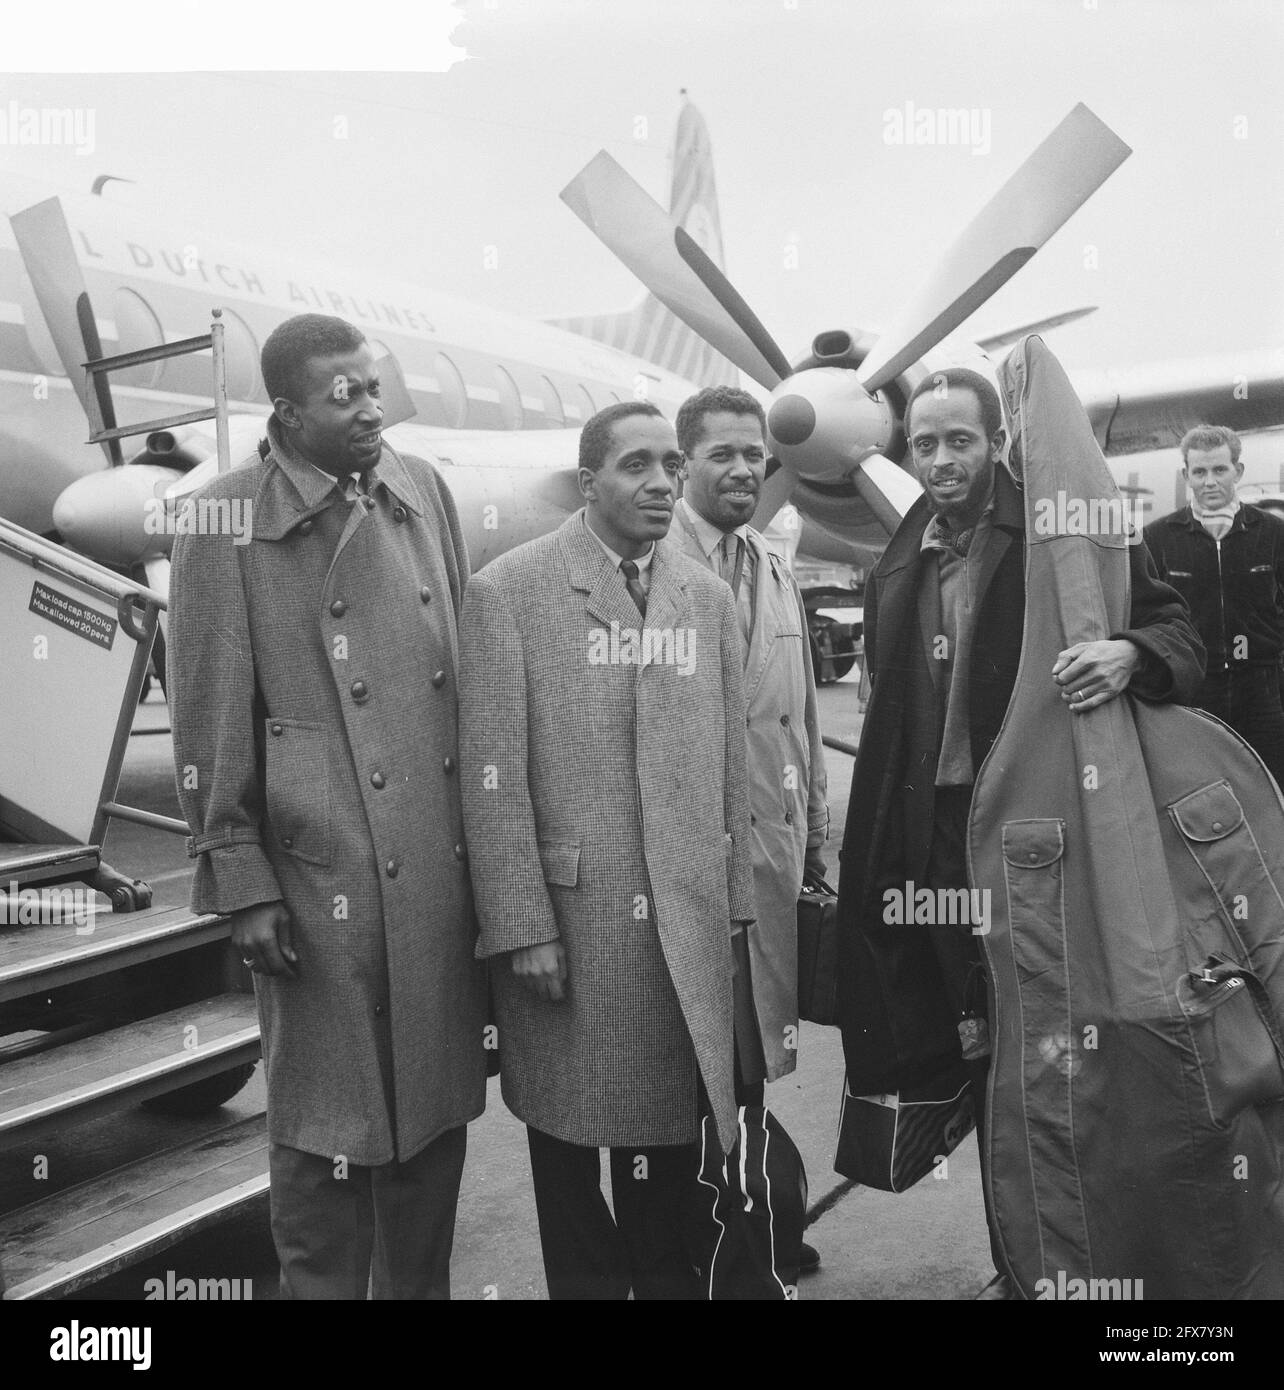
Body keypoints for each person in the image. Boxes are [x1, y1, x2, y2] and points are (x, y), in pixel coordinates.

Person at [835, 366, 1204, 1298]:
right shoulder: (903, 554)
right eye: (926, 443)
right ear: (905, 451)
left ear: (998, 441)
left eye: (962, 439)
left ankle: (1092, 1266)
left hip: (1044, 839)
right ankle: (1020, 1262)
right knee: (982, 1059)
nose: (944, 459)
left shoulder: (1063, 529)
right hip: (937, 846)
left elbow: (1179, 630)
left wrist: (1132, 652)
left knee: (1065, 1053)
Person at [167, 313, 486, 1299]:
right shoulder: (223, 516)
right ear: (287, 411)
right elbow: (208, 715)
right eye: (342, 394)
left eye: (373, 387)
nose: (368, 409)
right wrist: (243, 879)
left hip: (433, 863)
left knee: (431, 1118)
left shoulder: (421, 488)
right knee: (325, 1132)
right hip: (318, 872)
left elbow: (463, 683)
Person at [457, 400, 755, 1300]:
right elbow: (491, 775)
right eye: (636, 465)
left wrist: (734, 908)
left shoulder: (703, 598)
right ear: (588, 484)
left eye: (670, 464)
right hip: (574, 933)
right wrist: (520, 925)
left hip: (684, 932)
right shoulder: (509, 590)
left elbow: (729, 767)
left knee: (668, 1155)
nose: (661, 482)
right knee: (571, 1156)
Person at [671, 385, 827, 1274]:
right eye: (721, 454)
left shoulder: (771, 564)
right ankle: (725, 1235)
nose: (743, 470)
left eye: (753, 455)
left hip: (768, 851)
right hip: (688, 864)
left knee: (753, 1051)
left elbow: (799, 716)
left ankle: (761, 1220)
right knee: (698, 1060)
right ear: (683, 462)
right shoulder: (653, 563)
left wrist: (817, 845)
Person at [1143, 424, 1284, 786]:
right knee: (1203, 790)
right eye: (1200, 472)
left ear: (1238, 471)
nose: (1209, 481)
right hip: (1194, 688)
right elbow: (1147, 614)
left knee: (1272, 786)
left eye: (1219, 470)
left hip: (1263, 688)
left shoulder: (1273, 533)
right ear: (1185, 475)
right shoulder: (1157, 538)